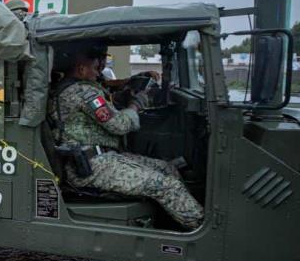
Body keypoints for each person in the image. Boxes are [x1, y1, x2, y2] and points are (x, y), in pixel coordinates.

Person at [48, 42, 204, 230]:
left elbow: (109, 88)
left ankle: (174, 222)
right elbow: (120, 125)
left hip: (102, 157)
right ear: (81, 69)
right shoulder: (83, 91)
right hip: (90, 166)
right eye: (96, 68)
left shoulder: (77, 87)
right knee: (167, 186)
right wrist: (135, 106)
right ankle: (204, 230)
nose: (99, 72)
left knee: (167, 169)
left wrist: (134, 81)